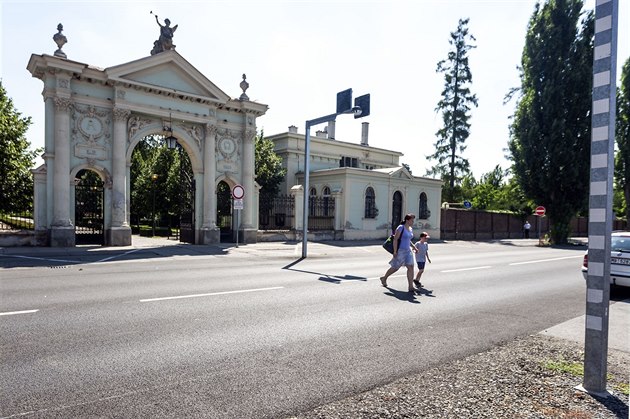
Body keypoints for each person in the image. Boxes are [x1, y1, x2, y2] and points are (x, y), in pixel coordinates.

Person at [380, 214, 418, 293]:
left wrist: (414, 246)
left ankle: (410, 287)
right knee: (395, 267)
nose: (413, 222)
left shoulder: (410, 229)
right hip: (400, 250)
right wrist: (395, 251)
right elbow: (395, 239)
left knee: (410, 267)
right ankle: (384, 278)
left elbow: (407, 239)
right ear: (407, 220)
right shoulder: (401, 227)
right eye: (412, 220)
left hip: (408, 251)